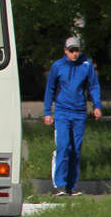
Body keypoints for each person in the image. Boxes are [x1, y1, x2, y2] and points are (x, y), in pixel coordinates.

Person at [43, 36, 102, 196]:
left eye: (76, 50)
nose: (74, 54)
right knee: (63, 146)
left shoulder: (86, 65)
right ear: (65, 51)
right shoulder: (58, 66)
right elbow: (50, 89)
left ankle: (71, 185)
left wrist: (97, 106)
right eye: (71, 51)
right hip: (62, 112)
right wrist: (47, 112)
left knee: (76, 149)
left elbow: (94, 85)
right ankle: (60, 185)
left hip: (79, 113)